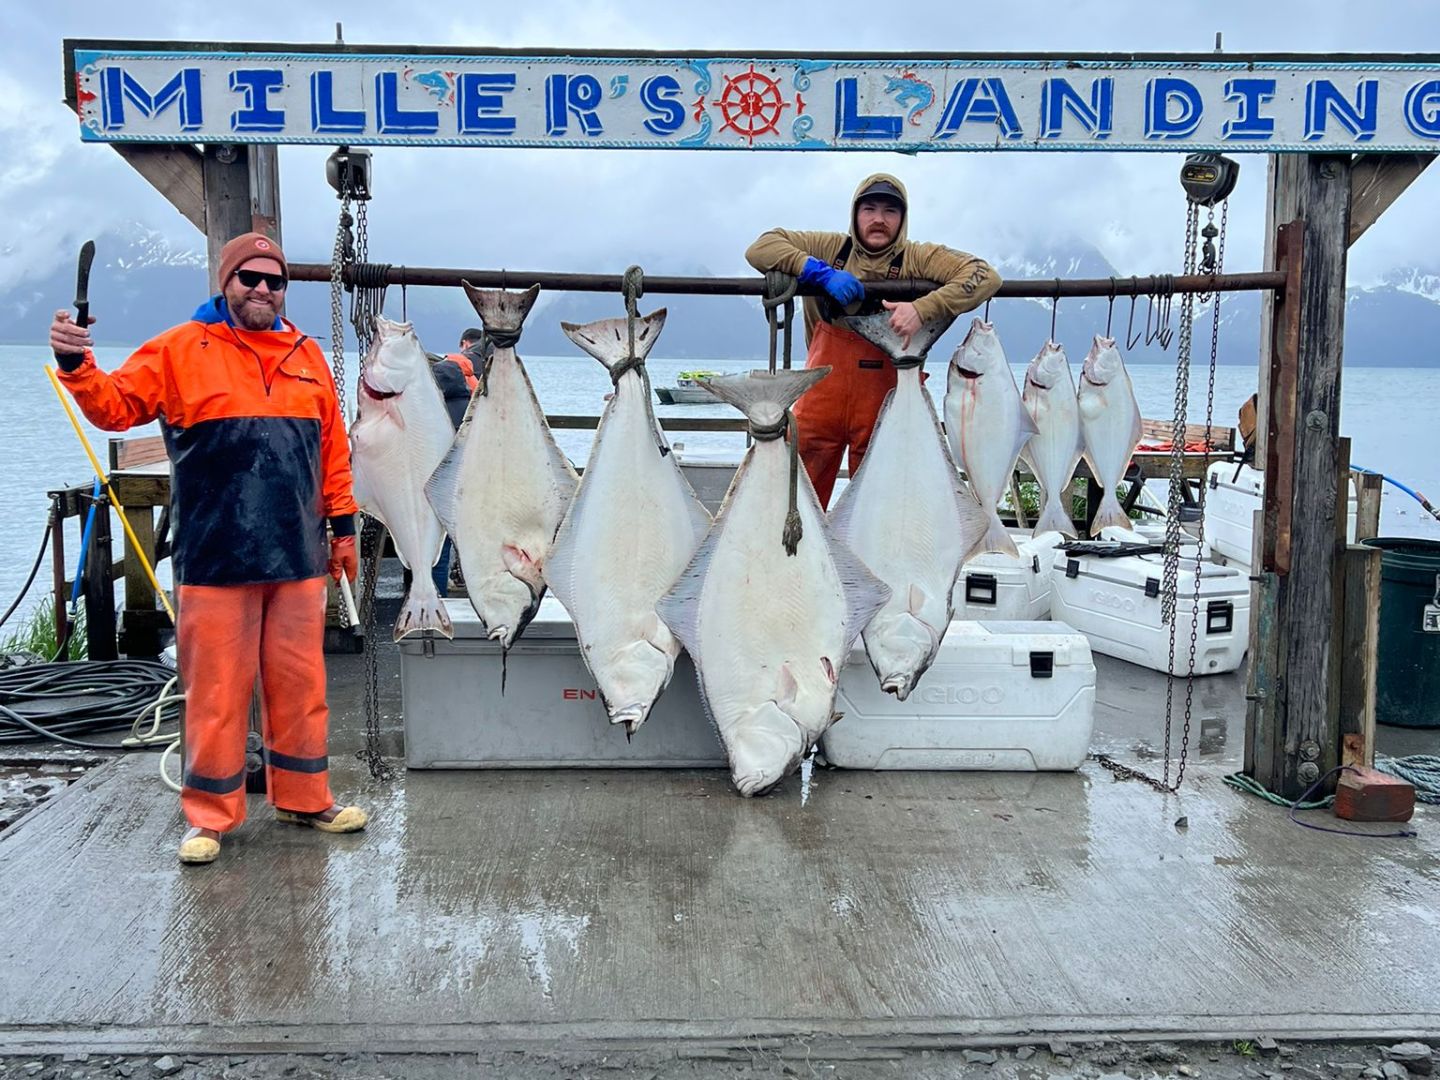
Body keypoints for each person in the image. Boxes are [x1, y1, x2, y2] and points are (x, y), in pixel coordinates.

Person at [49, 232, 368, 866]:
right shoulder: (178, 349)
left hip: (298, 557)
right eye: (248, 277)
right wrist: (75, 365)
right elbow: (113, 409)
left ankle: (307, 798)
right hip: (215, 555)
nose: (262, 289)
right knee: (216, 693)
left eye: (273, 280)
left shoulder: (309, 357)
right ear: (225, 283)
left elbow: (333, 453)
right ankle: (209, 817)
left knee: (302, 686)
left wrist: (343, 528)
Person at [745, 173, 1002, 508]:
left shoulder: (918, 257)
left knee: (883, 507)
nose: (879, 219)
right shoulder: (829, 248)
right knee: (791, 504)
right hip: (820, 400)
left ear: (903, 219)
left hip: (886, 406)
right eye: (869, 209)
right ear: (855, 214)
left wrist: (924, 309)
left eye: (890, 211)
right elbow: (761, 247)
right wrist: (816, 271)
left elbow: (985, 276)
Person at [425, 328, 486, 596]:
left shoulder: (429, 404)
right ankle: (479, 596)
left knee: (438, 546)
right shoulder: (473, 398)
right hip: (469, 480)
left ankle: (437, 597)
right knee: (474, 543)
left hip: (434, 481)